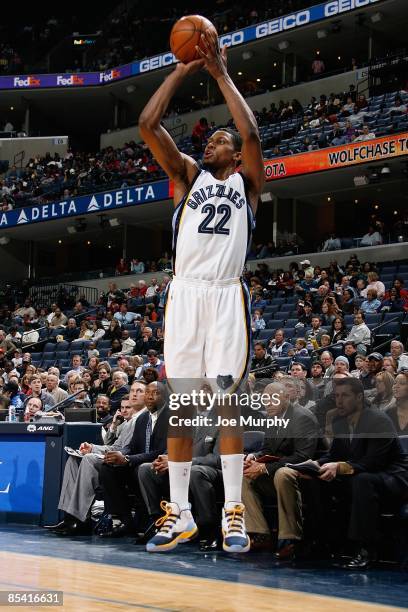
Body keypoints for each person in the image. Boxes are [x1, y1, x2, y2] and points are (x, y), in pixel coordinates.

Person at [138, 28, 264, 553]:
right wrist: (181, 70)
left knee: (226, 400)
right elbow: (147, 124)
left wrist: (220, 74)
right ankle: (181, 513)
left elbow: (252, 133)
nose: (210, 140)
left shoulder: (247, 185)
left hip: (224, 293)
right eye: (210, 139)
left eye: (220, 141)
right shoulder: (187, 178)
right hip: (185, 294)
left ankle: (233, 510)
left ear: (234, 157)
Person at [44, 383, 146, 535]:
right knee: (74, 460)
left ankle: (80, 519)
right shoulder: (128, 422)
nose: (134, 394)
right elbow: (115, 446)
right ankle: (69, 517)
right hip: (114, 457)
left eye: (139, 391)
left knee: (89, 459)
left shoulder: (142, 418)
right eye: (132, 391)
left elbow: (124, 450)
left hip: (126, 464)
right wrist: (92, 447)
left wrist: (95, 452)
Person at [242, 381, 319, 556]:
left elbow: (302, 456)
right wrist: (254, 459)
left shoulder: (302, 417)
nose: (268, 403)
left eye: (272, 398)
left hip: (304, 475)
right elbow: (268, 450)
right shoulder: (271, 418)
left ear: (286, 397)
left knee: (283, 474)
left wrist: (264, 468)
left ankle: (290, 538)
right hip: (277, 472)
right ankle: (260, 533)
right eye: (265, 399)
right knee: (244, 474)